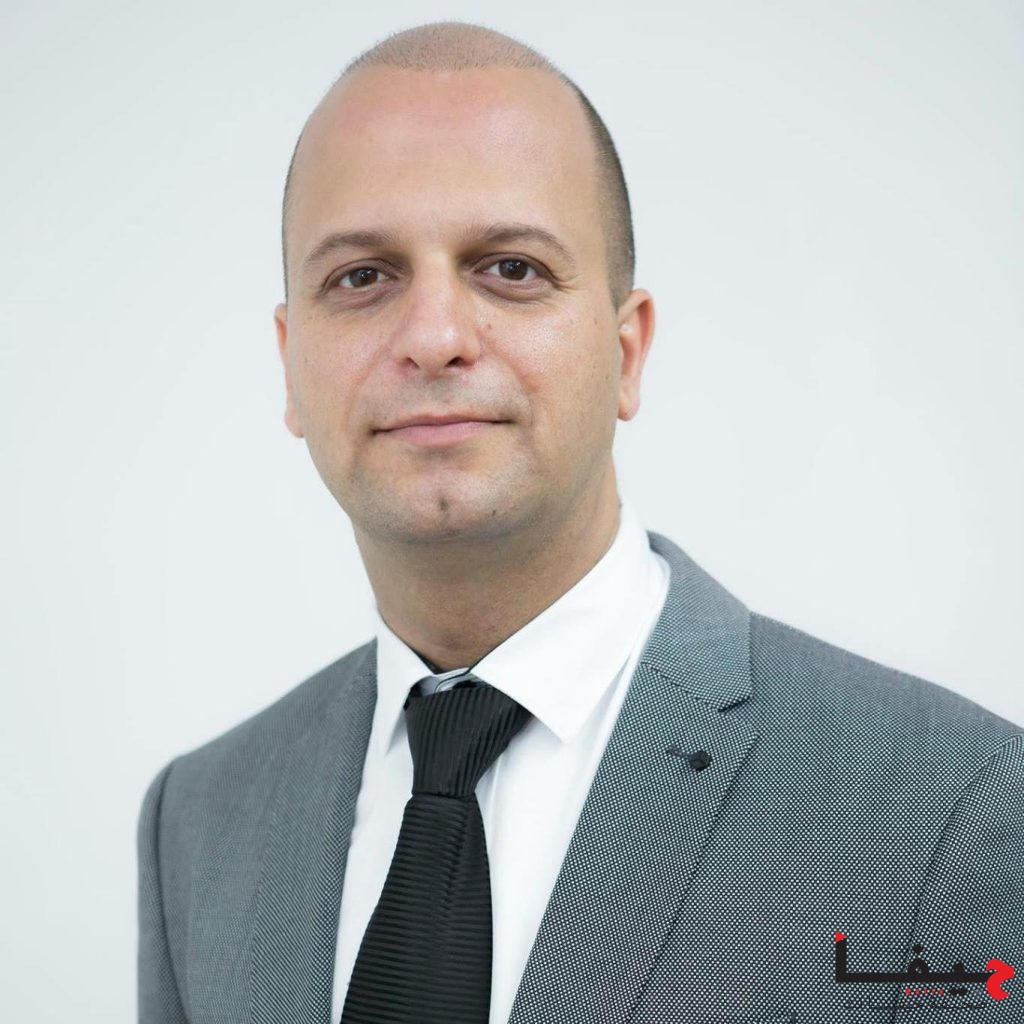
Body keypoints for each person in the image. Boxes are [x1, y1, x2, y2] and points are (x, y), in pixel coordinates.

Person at [137, 21, 1023, 1024]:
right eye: (362, 276)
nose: (434, 337)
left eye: (510, 268)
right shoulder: (195, 822)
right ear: (291, 363)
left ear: (627, 351)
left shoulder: (951, 808)